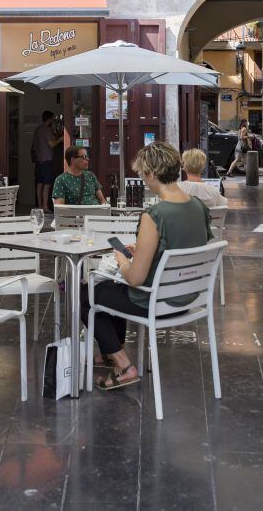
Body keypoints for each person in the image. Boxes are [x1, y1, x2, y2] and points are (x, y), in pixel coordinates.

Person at [83, 142, 212, 389]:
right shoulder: (199, 207)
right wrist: (144, 249)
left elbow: (135, 279)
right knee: (108, 292)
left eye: (142, 174)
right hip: (189, 298)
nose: (143, 180)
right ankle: (113, 352)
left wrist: (122, 261)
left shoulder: (154, 214)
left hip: (157, 302)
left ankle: (123, 364)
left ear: (152, 173)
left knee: (88, 293)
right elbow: (182, 247)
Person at [32, 110, 62, 210]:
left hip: (39, 160)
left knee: (39, 183)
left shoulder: (37, 129)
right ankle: (45, 207)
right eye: (53, 119)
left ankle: (40, 205)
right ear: (49, 119)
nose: (53, 121)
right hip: (46, 160)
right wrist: (61, 139)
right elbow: (52, 144)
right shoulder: (46, 129)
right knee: (47, 184)